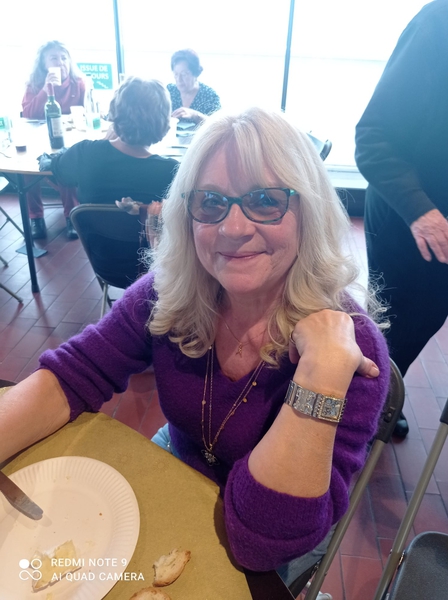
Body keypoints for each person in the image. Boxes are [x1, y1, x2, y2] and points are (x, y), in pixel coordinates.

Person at [0, 107, 389, 591]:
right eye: (210, 202)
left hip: (280, 525)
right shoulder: (173, 291)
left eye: (265, 201)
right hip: (179, 458)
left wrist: (320, 376)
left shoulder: (351, 350)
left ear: (309, 211)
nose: (233, 228)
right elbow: (75, 372)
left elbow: (262, 542)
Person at [355, 0, 448, 438]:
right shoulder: (437, 24)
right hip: (408, 216)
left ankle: (377, 398)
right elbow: (372, 138)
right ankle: (362, 408)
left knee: (419, 323)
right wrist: (421, 211)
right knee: (396, 325)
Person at [48, 77, 178, 205]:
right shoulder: (171, 171)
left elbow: (54, 171)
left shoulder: (85, 153)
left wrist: (102, 143)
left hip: (93, 220)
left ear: (115, 114)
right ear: (164, 121)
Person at [22, 40, 86, 240]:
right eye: (54, 58)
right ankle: (36, 218)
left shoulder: (78, 83)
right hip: (40, 141)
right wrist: (45, 89)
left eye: (64, 58)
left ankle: (71, 217)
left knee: (65, 164)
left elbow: (86, 113)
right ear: (43, 64)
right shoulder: (34, 85)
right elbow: (28, 114)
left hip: (69, 140)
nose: (60, 63)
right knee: (28, 169)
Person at [167, 49, 221, 125]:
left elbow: (218, 125)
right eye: (176, 74)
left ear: (195, 73)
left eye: (184, 74)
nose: (179, 79)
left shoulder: (210, 96)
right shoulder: (169, 91)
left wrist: (196, 115)